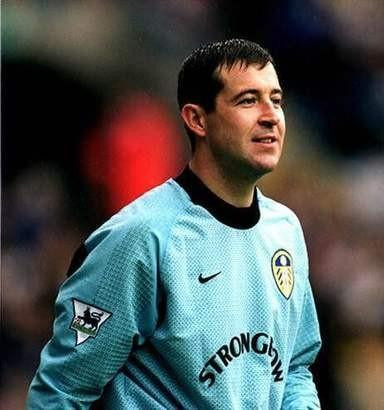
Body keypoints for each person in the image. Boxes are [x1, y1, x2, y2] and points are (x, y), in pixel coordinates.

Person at [27, 39, 322, 409]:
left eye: (276, 100)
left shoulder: (285, 231)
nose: (270, 116)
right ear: (197, 119)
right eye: (248, 101)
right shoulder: (141, 238)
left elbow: (295, 367)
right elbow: (62, 390)